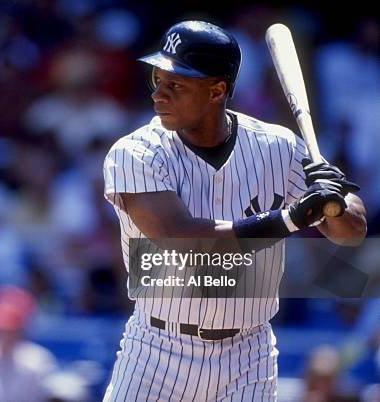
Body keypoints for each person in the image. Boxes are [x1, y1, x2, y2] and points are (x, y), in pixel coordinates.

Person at [101, 20, 367, 401]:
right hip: (157, 349)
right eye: (157, 80)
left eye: (175, 84)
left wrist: (335, 200)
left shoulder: (279, 147)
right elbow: (182, 242)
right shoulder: (136, 152)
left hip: (249, 354)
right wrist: (291, 218)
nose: (159, 95)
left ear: (217, 90)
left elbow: (352, 232)